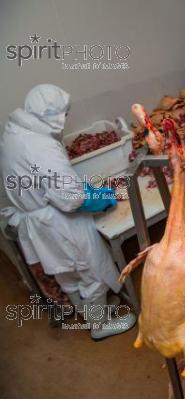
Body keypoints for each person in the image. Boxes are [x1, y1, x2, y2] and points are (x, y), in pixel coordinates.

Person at [0, 84, 136, 340]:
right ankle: (99, 326)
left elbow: (43, 179)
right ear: (52, 114)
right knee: (90, 271)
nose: (65, 118)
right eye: (63, 113)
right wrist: (100, 198)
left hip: (36, 217)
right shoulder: (41, 146)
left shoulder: (14, 132)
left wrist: (74, 189)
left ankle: (90, 312)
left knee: (65, 272)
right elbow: (71, 200)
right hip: (56, 220)